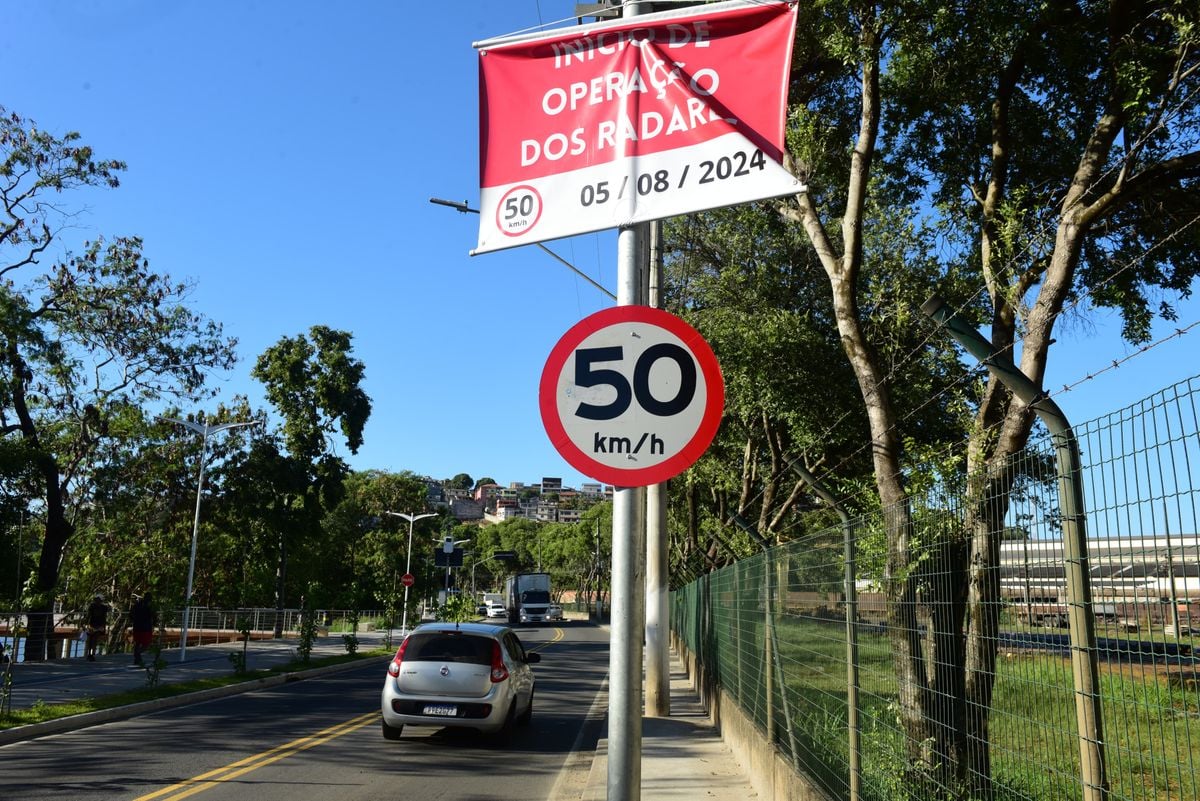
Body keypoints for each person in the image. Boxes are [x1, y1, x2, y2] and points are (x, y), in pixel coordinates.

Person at [130, 592, 155, 667]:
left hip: (137, 626)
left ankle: (137, 658)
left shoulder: (137, 605)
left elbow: (130, 614)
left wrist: (134, 620)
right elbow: (153, 615)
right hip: (145, 627)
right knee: (146, 644)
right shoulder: (149, 606)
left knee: (137, 643)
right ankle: (137, 654)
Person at [85, 594, 108, 662]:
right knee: (92, 639)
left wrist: (103, 626)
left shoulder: (102, 607)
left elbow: (104, 617)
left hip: (97, 624)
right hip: (94, 624)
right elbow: (89, 615)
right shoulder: (93, 606)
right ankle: (90, 654)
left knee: (93, 639)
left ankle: (91, 654)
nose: (98, 601)